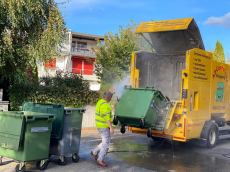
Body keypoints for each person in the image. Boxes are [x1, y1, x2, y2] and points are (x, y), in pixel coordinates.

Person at [90, 91, 114, 167]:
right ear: (109, 97)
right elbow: (106, 118)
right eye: (111, 97)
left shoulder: (100, 102)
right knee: (106, 144)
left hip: (100, 125)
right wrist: (111, 127)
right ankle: (100, 159)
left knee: (105, 141)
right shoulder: (105, 105)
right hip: (104, 126)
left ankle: (94, 152)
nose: (111, 98)